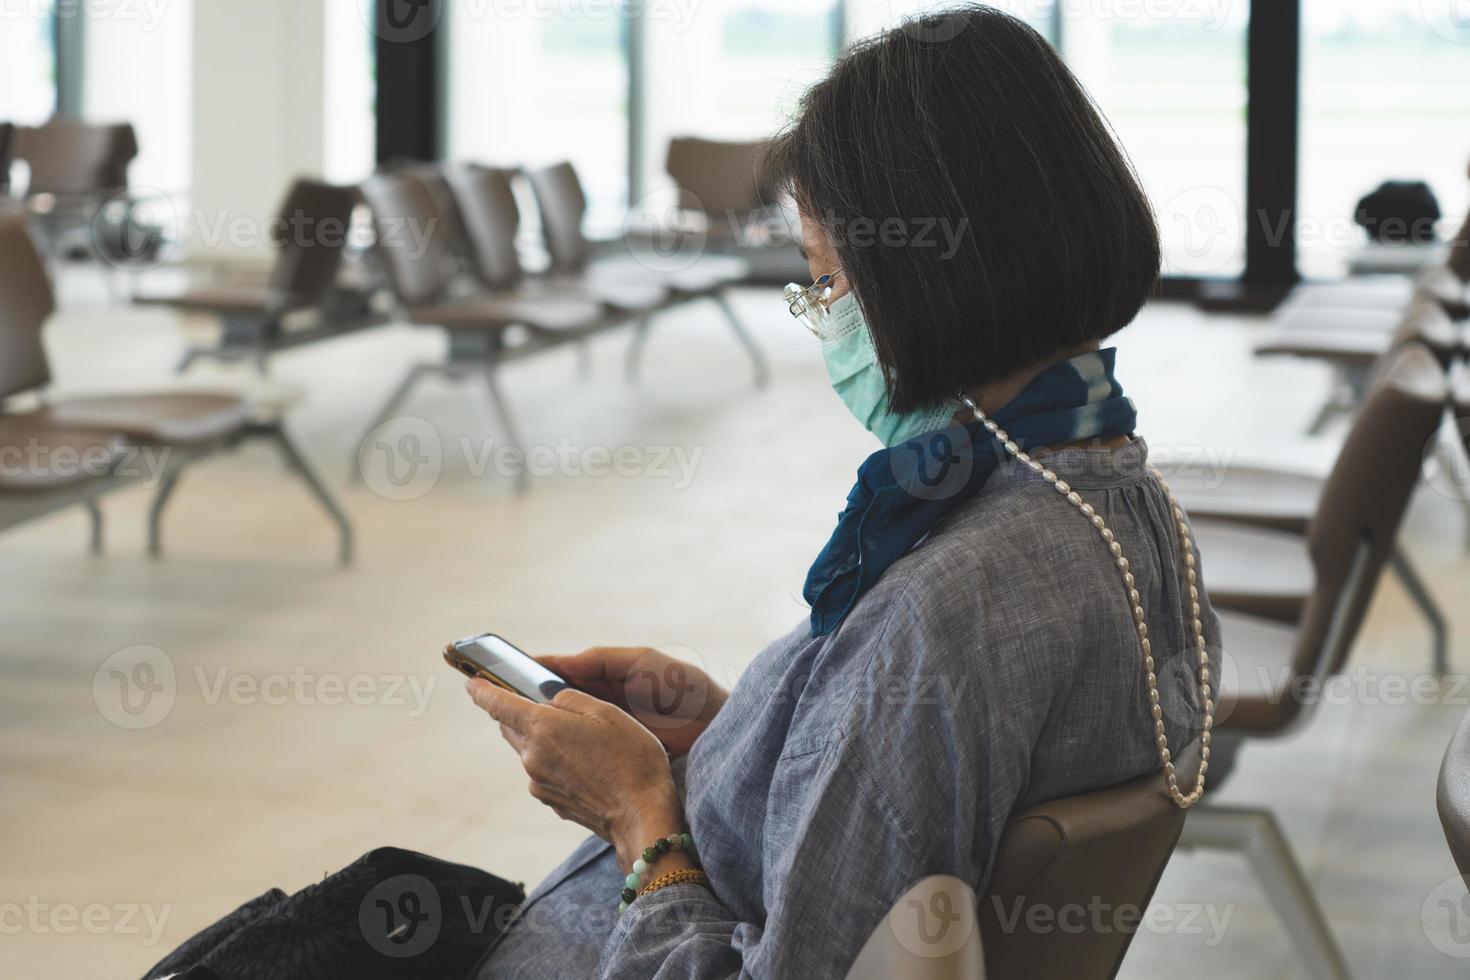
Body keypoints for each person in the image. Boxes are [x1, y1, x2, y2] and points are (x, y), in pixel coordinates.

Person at [468, 5, 1219, 977]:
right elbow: (903, 774)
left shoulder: (943, 610)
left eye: (823, 280)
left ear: (915, 281)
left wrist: (635, 811)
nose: (822, 315)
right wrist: (743, 728)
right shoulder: (1118, 497)